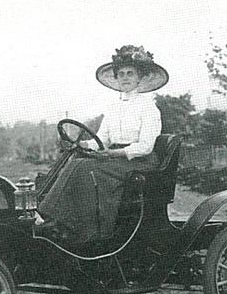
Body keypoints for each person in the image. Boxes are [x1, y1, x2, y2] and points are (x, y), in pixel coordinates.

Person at [37, 45, 169, 245]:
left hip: (141, 161)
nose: (125, 78)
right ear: (116, 79)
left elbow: (145, 147)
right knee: (76, 162)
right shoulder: (113, 108)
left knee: (86, 169)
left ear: (139, 78)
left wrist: (113, 154)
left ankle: (89, 231)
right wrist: (81, 144)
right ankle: (56, 219)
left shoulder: (149, 108)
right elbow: (101, 140)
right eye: (121, 74)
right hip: (115, 157)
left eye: (130, 73)